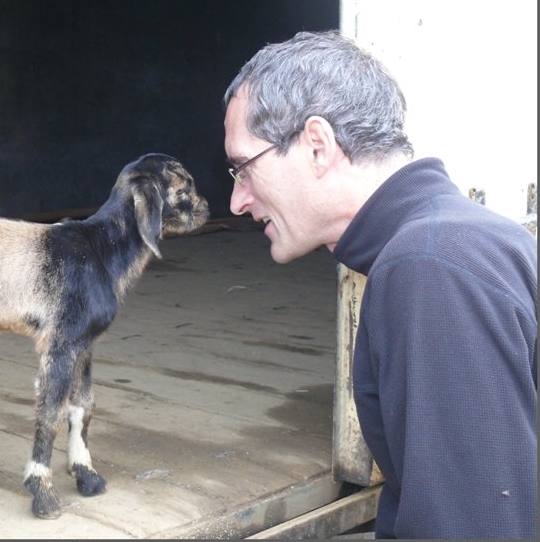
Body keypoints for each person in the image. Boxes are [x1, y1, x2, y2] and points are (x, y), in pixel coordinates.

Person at [222, 30, 537, 539]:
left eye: (243, 169)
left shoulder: (430, 268)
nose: (238, 201)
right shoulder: (447, 241)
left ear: (317, 146)